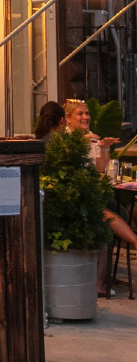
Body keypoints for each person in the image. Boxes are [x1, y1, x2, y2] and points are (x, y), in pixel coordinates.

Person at [57, 98, 137, 296]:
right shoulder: (62, 140)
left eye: (86, 113)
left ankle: (100, 284)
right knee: (104, 215)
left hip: (89, 194)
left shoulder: (90, 138)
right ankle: (135, 242)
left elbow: (100, 169)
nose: (86, 117)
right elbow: (65, 170)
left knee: (114, 212)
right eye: (80, 114)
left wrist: (104, 148)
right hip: (68, 198)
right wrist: (79, 144)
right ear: (67, 119)